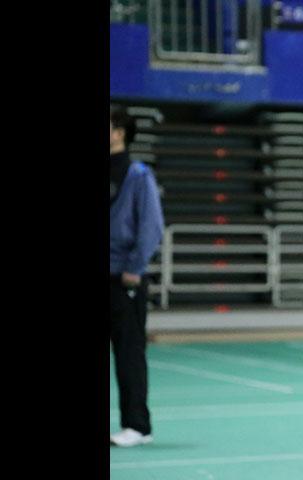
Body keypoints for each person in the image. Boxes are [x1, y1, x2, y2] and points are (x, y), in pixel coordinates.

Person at [110, 104, 164, 447]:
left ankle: (137, 426)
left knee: (129, 353)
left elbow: (151, 226)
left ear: (119, 132)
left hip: (123, 280)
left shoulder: (137, 174)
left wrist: (134, 268)